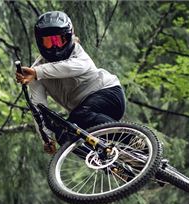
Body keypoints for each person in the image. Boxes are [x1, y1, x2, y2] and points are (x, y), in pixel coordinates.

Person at [15, 10, 126, 154]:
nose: (55, 47)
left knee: (79, 116)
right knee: (65, 135)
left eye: (59, 40)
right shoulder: (35, 72)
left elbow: (78, 67)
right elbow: (38, 107)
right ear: (40, 42)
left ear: (69, 38)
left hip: (108, 94)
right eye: (49, 42)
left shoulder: (76, 52)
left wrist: (38, 72)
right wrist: (46, 138)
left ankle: (135, 140)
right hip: (87, 113)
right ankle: (117, 164)